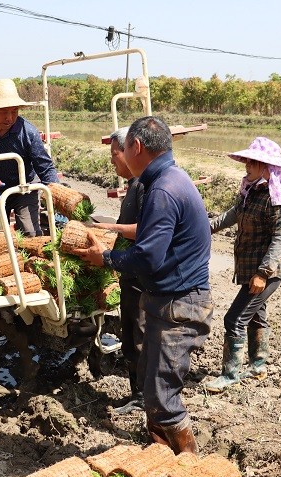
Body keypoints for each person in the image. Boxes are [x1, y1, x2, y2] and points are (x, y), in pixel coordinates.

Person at [72, 116, 213, 454]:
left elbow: (148, 257)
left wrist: (104, 258)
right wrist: (117, 231)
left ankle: (192, 469)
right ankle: (160, 456)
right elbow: (156, 233)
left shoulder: (162, 188)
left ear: (136, 146)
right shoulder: (170, 179)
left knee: (163, 396)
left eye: (120, 150)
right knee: (152, 389)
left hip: (179, 305)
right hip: (169, 300)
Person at [202, 137, 281, 392]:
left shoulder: (278, 200)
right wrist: (204, 229)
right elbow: (232, 216)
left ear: (268, 167)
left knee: (234, 319)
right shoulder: (250, 191)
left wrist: (263, 273)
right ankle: (258, 366)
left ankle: (230, 375)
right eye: (247, 161)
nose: (248, 165)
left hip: (265, 273)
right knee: (256, 316)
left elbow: (280, 238)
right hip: (248, 268)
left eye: (254, 162)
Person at [0, 78, 60, 237]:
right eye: (3, 112)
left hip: (25, 188)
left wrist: (56, 191)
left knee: (29, 232)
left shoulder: (28, 132)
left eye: (14, 111)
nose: (9, 117)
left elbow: (45, 167)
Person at [92, 127, 145, 415]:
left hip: (140, 277)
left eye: (115, 154)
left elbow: (146, 232)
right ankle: (140, 392)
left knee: (138, 336)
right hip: (131, 273)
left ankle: (142, 397)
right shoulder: (135, 185)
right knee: (132, 333)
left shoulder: (143, 187)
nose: (113, 161)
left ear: (130, 151)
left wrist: (108, 231)